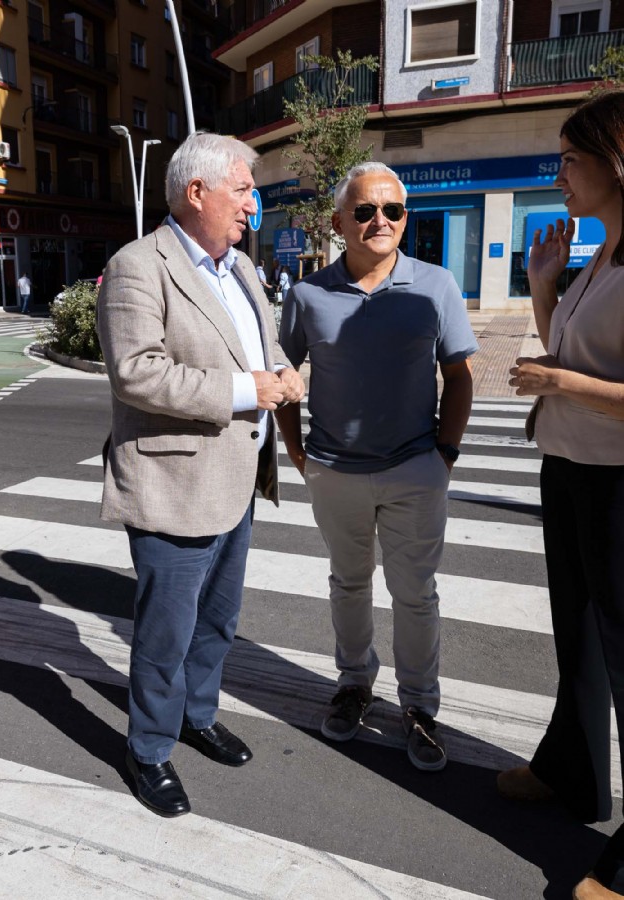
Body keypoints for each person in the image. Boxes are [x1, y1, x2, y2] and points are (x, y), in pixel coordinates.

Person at [97, 132, 305, 818]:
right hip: (174, 483)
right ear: (198, 192)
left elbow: (262, 345)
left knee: (218, 621)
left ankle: (197, 714)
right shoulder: (138, 265)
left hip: (237, 477)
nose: (255, 202)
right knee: (166, 633)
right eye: (243, 189)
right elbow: (137, 373)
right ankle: (150, 749)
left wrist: (283, 374)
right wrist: (250, 390)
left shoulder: (240, 267)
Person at [276, 160, 477, 773]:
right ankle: (355, 683)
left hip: (416, 466)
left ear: (405, 217)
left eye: (391, 210)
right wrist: (295, 450)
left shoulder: (436, 286)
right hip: (335, 471)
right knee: (348, 584)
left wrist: (445, 453)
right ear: (340, 222)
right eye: (364, 211)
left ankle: (419, 705)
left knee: (415, 595)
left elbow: (460, 375)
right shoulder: (308, 294)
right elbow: (284, 378)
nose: (379, 221)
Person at [502, 90, 624, 900]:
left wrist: (559, 379)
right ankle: (574, 773)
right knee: (576, 635)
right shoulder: (598, 258)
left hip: (619, 481)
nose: (560, 174)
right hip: (569, 464)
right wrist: (545, 283)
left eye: (572, 159)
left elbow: (577, 376)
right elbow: (567, 354)